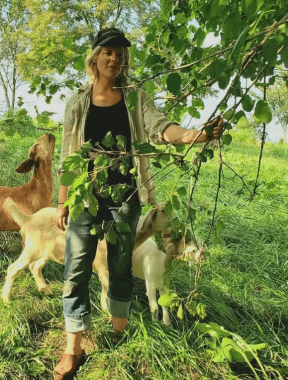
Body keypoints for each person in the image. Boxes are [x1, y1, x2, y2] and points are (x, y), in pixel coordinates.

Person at [53, 27, 222, 380]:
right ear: (95, 57)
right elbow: (69, 156)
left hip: (126, 197)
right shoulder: (77, 103)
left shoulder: (134, 97)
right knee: (76, 268)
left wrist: (193, 135)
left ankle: (117, 331)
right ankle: (73, 348)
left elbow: (160, 127)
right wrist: (62, 201)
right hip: (86, 198)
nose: (115, 58)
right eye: (108, 52)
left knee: (120, 266)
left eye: (120, 53)